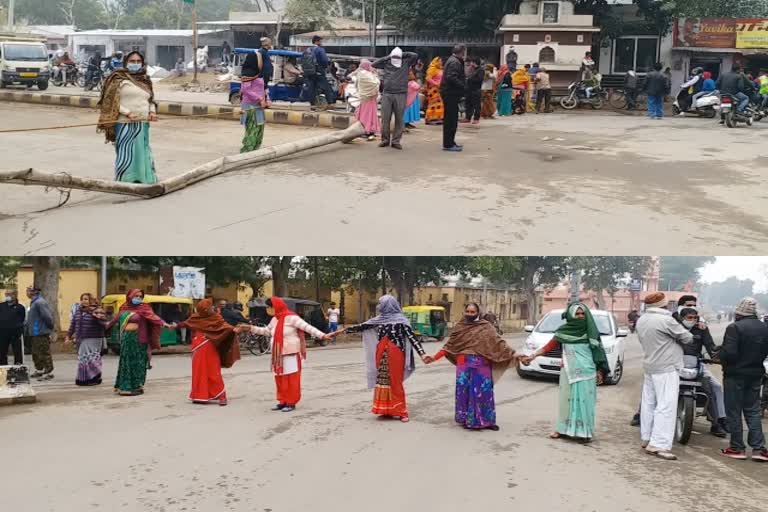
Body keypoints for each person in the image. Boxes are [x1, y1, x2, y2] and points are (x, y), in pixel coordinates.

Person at [522, 303, 610, 442]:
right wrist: (532, 356)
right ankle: (562, 429)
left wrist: (600, 370)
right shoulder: (563, 332)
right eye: (577, 314)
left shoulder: (591, 332)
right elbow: (548, 347)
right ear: (570, 315)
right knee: (565, 402)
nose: (580, 316)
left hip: (587, 372)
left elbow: (598, 352)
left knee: (584, 402)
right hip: (567, 371)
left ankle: (583, 432)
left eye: (583, 314)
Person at [429, 303, 518, 431]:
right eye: (468, 311)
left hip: (482, 365)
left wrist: (515, 354)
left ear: (478, 312)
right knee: (464, 392)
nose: (470, 314)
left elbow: (499, 343)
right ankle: (466, 419)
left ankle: (487, 421)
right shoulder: (460, 327)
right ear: (465, 312)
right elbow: (449, 346)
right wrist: (434, 357)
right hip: (463, 365)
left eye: (473, 312)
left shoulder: (486, 326)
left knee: (484, 392)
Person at [343, 295, 429, 422]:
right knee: (383, 381)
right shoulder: (379, 320)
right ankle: (385, 409)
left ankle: (401, 412)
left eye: (380, 303)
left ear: (388, 305)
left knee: (395, 382)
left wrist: (422, 354)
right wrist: (338, 332)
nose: (378, 306)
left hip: (396, 354)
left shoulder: (401, 321)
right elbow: (360, 327)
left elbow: (412, 338)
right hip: (382, 354)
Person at [239, 298, 334, 412]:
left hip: (291, 353)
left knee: (291, 380)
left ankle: (291, 402)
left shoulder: (292, 318)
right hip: (278, 355)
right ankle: (282, 400)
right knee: (280, 379)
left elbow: (308, 328)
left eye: (269, 307)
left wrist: (323, 335)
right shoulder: (275, 319)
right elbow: (267, 331)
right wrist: (250, 328)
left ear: (276, 307)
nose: (267, 310)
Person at [636, 292, 693, 460]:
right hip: (667, 367)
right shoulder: (666, 320)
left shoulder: (642, 319)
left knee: (648, 403)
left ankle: (647, 438)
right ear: (665, 305)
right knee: (666, 405)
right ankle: (659, 444)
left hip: (650, 365)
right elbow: (688, 338)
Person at [97, 51, 159, 184]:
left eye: (138, 61)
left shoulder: (145, 80)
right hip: (125, 122)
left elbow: (151, 100)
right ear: (126, 62)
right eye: (132, 61)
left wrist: (152, 112)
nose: (135, 64)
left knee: (142, 151)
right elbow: (110, 101)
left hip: (142, 123)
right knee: (127, 152)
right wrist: (127, 113)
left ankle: (144, 178)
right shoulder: (117, 78)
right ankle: (124, 180)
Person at [719, 298, 768, 461]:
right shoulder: (764, 328)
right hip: (756, 374)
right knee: (753, 410)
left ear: (739, 313)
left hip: (735, 375)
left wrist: (721, 356)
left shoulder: (734, 328)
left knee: (734, 411)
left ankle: (736, 447)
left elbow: (730, 354)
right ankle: (759, 449)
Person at [176, 299, 241, 406]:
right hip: (198, 346)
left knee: (213, 371)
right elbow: (186, 323)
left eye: (211, 307)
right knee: (198, 371)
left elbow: (224, 326)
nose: (212, 308)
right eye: (209, 307)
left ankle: (221, 395)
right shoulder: (196, 317)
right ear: (203, 309)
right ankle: (199, 395)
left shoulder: (216, 317)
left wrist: (234, 329)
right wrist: (174, 326)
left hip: (210, 346)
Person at [106, 289, 168, 396]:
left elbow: (154, 318)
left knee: (138, 362)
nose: (138, 298)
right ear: (130, 296)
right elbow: (113, 321)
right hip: (126, 339)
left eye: (140, 296)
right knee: (126, 362)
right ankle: (124, 386)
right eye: (136, 296)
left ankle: (137, 386)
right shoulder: (123, 308)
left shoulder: (145, 308)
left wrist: (164, 324)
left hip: (139, 339)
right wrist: (102, 325)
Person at [678, 307, 728, 437]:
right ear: (681, 318)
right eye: (689, 318)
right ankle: (642, 415)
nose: (693, 320)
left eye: (695, 318)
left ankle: (719, 421)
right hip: (675, 364)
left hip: (696, 364)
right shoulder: (674, 327)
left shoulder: (702, 329)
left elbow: (710, 345)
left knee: (714, 387)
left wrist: (715, 356)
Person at [372, 47, 419, 150]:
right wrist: (388, 57)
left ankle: (396, 141)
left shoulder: (406, 62)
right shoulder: (387, 62)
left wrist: (402, 54)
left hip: (401, 94)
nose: (396, 59)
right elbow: (374, 64)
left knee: (399, 119)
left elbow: (415, 55)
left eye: (397, 57)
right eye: (394, 57)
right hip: (387, 94)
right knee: (385, 118)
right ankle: (385, 140)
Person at [65, 293, 108, 386]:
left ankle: (94, 378)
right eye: (83, 299)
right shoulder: (78, 311)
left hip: (94, 338)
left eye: (86, 299)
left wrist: (98, 317)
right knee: (83, 359)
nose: (84, 301)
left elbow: (105, 323)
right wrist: (68, 336)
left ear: (91, 301)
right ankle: (83, 378)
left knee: (92, 359)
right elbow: (73, 325)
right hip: (81, 338)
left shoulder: (97, 310)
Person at [239, 51, 271, 153]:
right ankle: (247, 150)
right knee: (252, 129)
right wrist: (260, 99)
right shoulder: (247, 74)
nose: (261, 61)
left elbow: (263, 88)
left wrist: (267, 99)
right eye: (259, 59)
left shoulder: (259, 74)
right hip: (250, 106)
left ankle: (255, 150)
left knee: (259, 128)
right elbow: (246, 90)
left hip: (258, 106)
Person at [24, 286, 55, 381]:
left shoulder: (40, 303)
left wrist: (49, 328)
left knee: (43, 352)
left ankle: (48, 371)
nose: (27, 292)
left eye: (28, 290)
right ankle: (39, 369)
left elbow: (47, 317)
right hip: (34, 332)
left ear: (34, 292)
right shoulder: (33, 302)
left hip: (40, 332)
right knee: (36, 352)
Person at [440, 44, 467, 152]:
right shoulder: (454, 62)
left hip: (450, 94)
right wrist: (463, 86)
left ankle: (450, 142)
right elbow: (451, 77)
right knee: (451, 120)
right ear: (462, 52)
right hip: (450, 94)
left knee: (451, 119)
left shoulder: (453, 60)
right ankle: (448, 144)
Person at [351, 59, 381, 141]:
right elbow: (375, 83)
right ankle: (369, 130)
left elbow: (357, 84)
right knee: (370, 114)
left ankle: (364, 130)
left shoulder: (360, 74)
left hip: (364, 98)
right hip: (370, 98)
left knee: (364, 114)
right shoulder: (368, 74)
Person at [303, 35, 332, 109]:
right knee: (326, 87)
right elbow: (324, 60)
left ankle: (312, 104)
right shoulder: (320, 50)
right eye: (320, 41)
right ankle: (330, 103)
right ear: (317, 41)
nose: (321, 42)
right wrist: (325, 67)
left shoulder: (307, 49)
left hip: (309, 72)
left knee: (312, 88)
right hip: (319, 71)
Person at [0, 290, 25, 366]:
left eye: (9, 294)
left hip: (15, 333)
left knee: (17, 351)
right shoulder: (1, 306)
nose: (7, 296)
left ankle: (18, 367)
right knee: (2, 352)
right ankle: (3, 368)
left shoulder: (20, 307)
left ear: (15, 295)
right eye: (6, 294)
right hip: (2, 333)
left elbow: (22, 319)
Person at [461, 57, 483, 125]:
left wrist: (469, 79)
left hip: (476, 90)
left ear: (475, 63)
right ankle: (468, 117)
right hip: (469, 89)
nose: (471, 64)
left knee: (476, 105)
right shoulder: (472, 69)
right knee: (468, 104)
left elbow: (480, 79)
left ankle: (476, 118)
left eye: (472, 62)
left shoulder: (480, 70)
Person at [425, 57, 445, 125]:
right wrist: (436, 83)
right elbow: (428, 78)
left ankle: (437, 118)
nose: (441, 62)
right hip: (433, 89)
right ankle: (429, 119)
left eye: (441, 61)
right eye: (439, 61)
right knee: (432, 104)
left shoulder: (440, 69)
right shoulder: (432, 68)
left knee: (439, 104)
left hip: (439, 89)